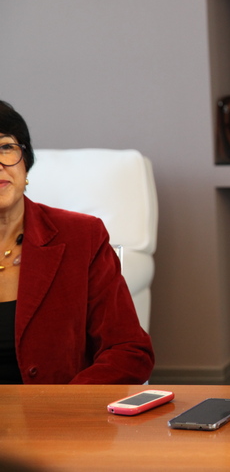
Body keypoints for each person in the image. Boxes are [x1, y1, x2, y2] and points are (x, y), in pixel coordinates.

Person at [0, 101, 154, 384]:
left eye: (5, 147)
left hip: (57, 411)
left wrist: (64, 403)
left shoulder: (82, 236)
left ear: (25, 160)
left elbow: (129, 351)